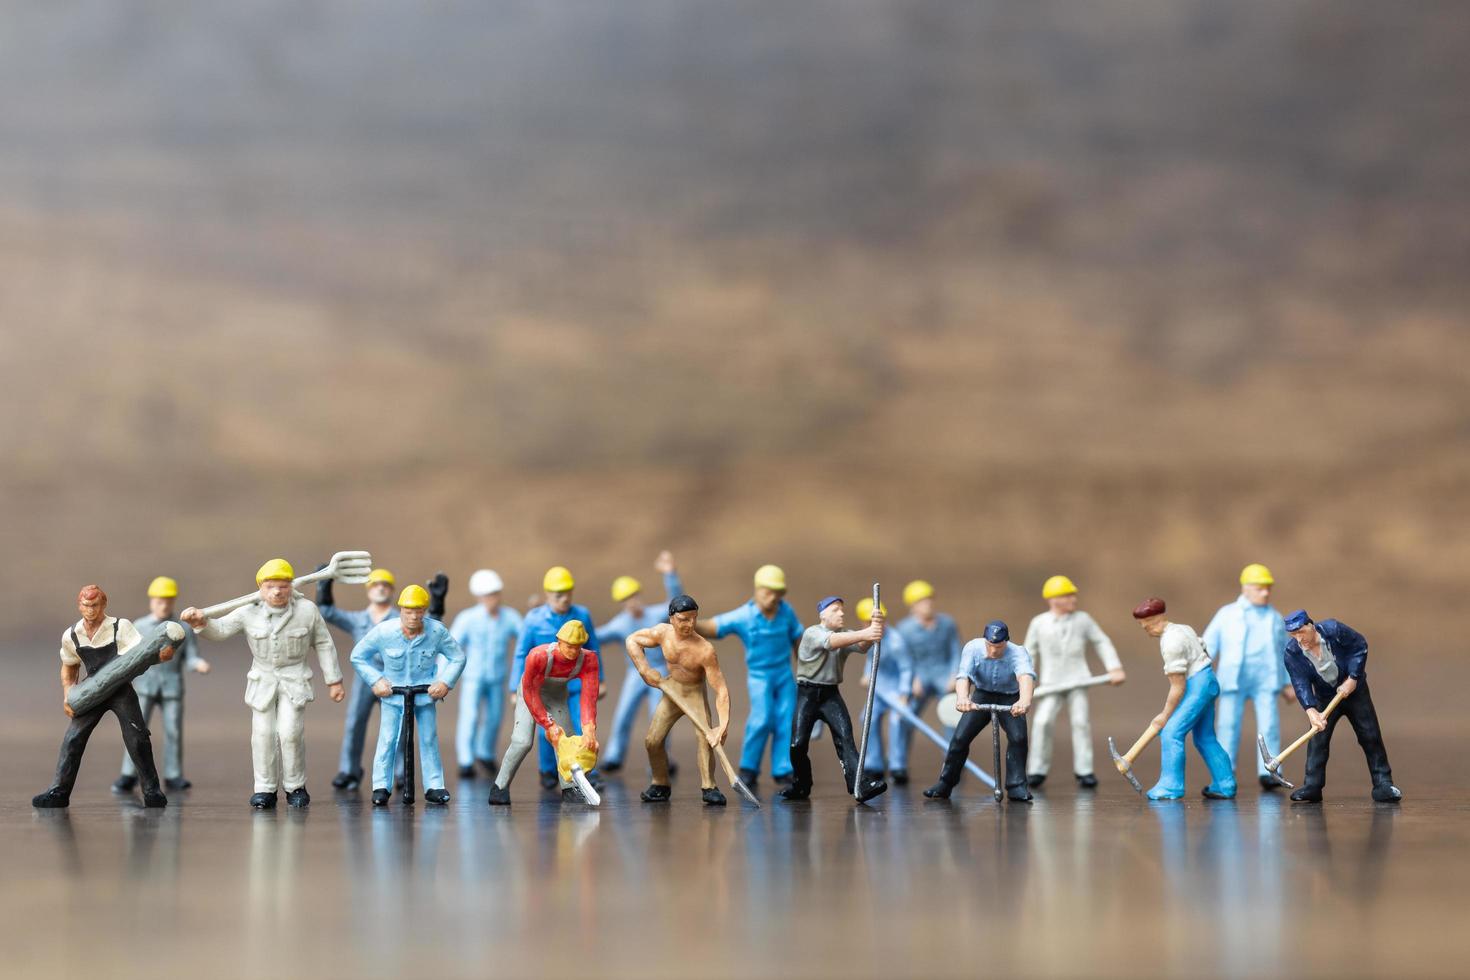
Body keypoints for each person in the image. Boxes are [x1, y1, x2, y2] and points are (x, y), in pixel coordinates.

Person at [181, 559, 345, 809]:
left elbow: (323, 643)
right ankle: (265, 788)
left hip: (294, 679)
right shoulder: (248, 611)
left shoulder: (307, 611)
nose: (277, 592)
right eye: (270, 586)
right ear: (261, 587)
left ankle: (295, 787)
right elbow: (222, 629)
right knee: (262, 735)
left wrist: (333, 680)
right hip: (263, 681)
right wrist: (201, 623)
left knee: (290, 733)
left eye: (283, 586)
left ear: (291, 586)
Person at [33, 585, 175, 809]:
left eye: (95, 605)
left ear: (103, 605)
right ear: (79, 606)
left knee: (137, 739)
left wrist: (161, 656)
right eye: (86, 605)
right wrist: (67, 694)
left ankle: (152, 791)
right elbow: (69, 666)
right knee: (73, 739)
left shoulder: (120, 627)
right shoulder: (72, 634)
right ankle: (59, 791)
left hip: (120, 691)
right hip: (92, 690)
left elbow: (141, 654)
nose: (91, 610)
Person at [351, 585, 467, 806]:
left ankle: (434, 786)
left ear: (425, 610)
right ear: (401, 610)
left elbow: (457, 657)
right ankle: (381, 787)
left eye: (419, 611)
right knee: (387, 739)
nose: (413, 616)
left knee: (429, 739)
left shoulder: (436, 632)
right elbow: (358, 656)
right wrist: (376, 680)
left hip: (424, 696)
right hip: (393, 697)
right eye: (408, 611)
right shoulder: (384, 632)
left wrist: (444, 682)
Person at [696, 565, 804, 790]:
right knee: (762, 718)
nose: (772, 597)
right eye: (767, 591)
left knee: (787, 719)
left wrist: (805, 670)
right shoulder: (744, 616)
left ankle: (784, 768)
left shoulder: (787, 612)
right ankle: (749, 767)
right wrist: (688, 621)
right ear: (757, 590)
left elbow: (797, 638)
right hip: (760, 677)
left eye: (777, 592)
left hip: (784, 674)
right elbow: (714, 626)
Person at [1281, 610, 1400, 803]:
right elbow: (1300, 683)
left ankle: (1383, 783)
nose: (1298, 638)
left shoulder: (1334, 630)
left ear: (1311, 625)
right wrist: (1311, 711)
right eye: (1293, 635)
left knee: (1370, 735)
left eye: (1301, 632)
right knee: (1318, 740)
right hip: (1325, 697)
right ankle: (1312, 786)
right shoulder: (1292, 653)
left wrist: (1353, 678)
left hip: (1354, 692)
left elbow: (1359, 646)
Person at [624, 594, 732, 805]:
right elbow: (632, 640)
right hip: (672, 691)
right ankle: (660, 783)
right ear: (671, 618)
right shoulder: (662, 633)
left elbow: (721, 690)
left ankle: (709, 786)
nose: (689, 624)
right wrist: (644, 669)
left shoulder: (705, 650)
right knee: (652, 741)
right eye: (684, 619)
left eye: (694, 618)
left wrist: (723, 724)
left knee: (705, 739)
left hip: (694, 694)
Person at [781, 596, 888, 802]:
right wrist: (865, 632)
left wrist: (875, 626)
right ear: (823, 615)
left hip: (830, 694)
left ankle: (859, 785)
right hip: (808, 694)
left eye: (842, 610)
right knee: (797, 744)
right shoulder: (813, 633)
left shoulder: (846, 634)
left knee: (846, 738)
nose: (841, 613)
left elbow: (863, 646)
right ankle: (801, 784)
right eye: (835, 610)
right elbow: (830, 643)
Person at [1023, 575, 1125, 789]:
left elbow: (1101, 641)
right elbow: (1028, 653)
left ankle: (1084, 770)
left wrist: (1113, 667)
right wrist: (1026, 679)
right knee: (1042, 722)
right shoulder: (1039, 623)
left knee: (1080, 722)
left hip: (1078, 679)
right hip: (1052, 682)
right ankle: (1036, 770)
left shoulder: (1083, 620)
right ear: (1055, 599)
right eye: (1069, 595)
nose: (1073, 600)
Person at [1130, 597, 1236, 802]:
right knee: (1204, 737)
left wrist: (1164, 715)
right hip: (1208, 680)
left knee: (1171, 733)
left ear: (1155, 620)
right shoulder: (1183, 628)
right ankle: (1225, 784)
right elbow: (1203, 647)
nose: (1147, 631)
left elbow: (1178, 687)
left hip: (1198, 686)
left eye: (1146, 627)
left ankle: (1171, 786)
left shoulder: (1170, 642)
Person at [113, 576, 210, 794]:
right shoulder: (139, 626)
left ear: (173, 601)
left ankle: (174, 774)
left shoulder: (183, 627)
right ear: (152, 601)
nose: (163, 605)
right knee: (135, 731)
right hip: (144, 686)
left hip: (171, 687)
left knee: (173, 731)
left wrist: (198, 664)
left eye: (168, 601)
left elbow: (191, 655)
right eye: (159, 600)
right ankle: (129, 774)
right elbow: (129, 656)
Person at [511, 566, 605, 790]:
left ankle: (586, 771)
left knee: (582, 728)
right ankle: (547, 770)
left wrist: (600, 680)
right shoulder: (534, 619)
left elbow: (593, 648)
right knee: (548, 730)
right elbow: (521, 653)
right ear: (547, 595)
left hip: (576, 684)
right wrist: (514, 689)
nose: (564, 599)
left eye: (567, 594)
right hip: (543, 687)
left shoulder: (581, 615)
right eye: (557, 595)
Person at [489, 620, 601, 805]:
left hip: (557, 697)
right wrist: (548, 724)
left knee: (567, 741)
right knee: (522, 741)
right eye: (569, 646)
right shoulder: (539, 656)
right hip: (530, 695)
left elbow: (588, 697)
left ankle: (569, 788)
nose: (573, 651)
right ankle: (500, 786)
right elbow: (530, 691)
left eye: (577, 647)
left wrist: (589, 730)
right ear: (559, 641)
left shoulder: (589, 660)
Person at [1202, 563, 1293, 790]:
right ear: (1245, 588)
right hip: (1234, 679)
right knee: (1227, 725)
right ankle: (1224, 769)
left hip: (1265, 680)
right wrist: (1200, 674)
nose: (1265, 592)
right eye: (1259, 588)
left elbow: (1286, 652)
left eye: (1268, 588)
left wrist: (1288, 683)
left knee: (1269, 725)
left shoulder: (1274, 617)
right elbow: (1207, 645)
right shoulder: (1227, 614)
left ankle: (1269, 769)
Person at [924, 621, 1035, 802]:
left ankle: (1017, 786)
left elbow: (1025, 676)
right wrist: (963, 698)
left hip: (1010, 697)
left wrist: (1024, 701)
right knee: (960, 737)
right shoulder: (972, 648)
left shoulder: (1018, 652)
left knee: (1019, 738)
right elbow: (963, 676)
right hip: (982, 695)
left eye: (998, 646)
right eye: (990, 645)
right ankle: (945, 783)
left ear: (1006, 642)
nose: (993, 651)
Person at [595, 551, 685, 773]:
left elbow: (678, 604)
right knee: (623, 713)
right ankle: (614, 755)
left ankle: (661, 757)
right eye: (626, 600)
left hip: (661, 673)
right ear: (622, 603)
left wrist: (670, 574)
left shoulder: (655, 615)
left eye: (634, 596)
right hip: (635, 674)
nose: (632, 602)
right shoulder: (619, 624)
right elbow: (596, 636)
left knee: (661, 716)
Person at [449, 568, 523, 779]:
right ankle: (465, 760)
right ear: (478, 596)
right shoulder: (468, 618)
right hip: (473, 676)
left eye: (495, 593)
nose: (492, 599)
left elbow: (525, 635)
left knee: (494, 716)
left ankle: (485, 752)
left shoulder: (510, 617)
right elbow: (450, 645)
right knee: (469, 716)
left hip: (497, 676)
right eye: (487, 595)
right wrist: (442, 673)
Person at [892, 580, 963, 783]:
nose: (927, 605)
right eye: (922, 601)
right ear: (912, 606)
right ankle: (898, 763)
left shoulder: (947, 623)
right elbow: (904, 658)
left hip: (943, 675)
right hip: (919, 676)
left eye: (929, 600)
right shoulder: (904, 629)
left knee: (953, 715)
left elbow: (956, 651)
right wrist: (912, 679)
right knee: (904, 716)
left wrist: (955, 675)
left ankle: (952, 760)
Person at [857, 597, 914, 782]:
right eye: (868, 622)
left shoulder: (896, 641)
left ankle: (898, 765)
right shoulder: (867, 637)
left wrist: (904, 694)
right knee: (867, 718)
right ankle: (874, 763)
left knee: (897, 721)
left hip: (896, 689)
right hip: (878, 688)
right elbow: (870, 660)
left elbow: (906, 668)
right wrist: (867, 675)